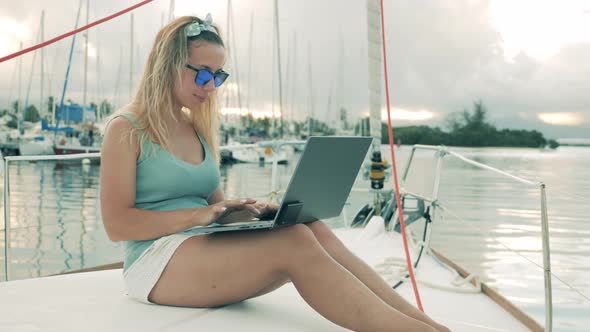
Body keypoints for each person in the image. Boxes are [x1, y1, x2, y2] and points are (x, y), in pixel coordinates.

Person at [100, 14, 451, 332]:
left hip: (200, 248)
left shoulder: (196, 127)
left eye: (218, 76)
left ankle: (427, 324)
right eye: (202, 73)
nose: (211, 85)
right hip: (154, 263)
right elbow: (117, 225)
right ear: (167, 66)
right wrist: (199, 215)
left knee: (306, 226)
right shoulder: (126, 129)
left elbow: (216, 210)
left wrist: (249, 213)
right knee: (294, 242)